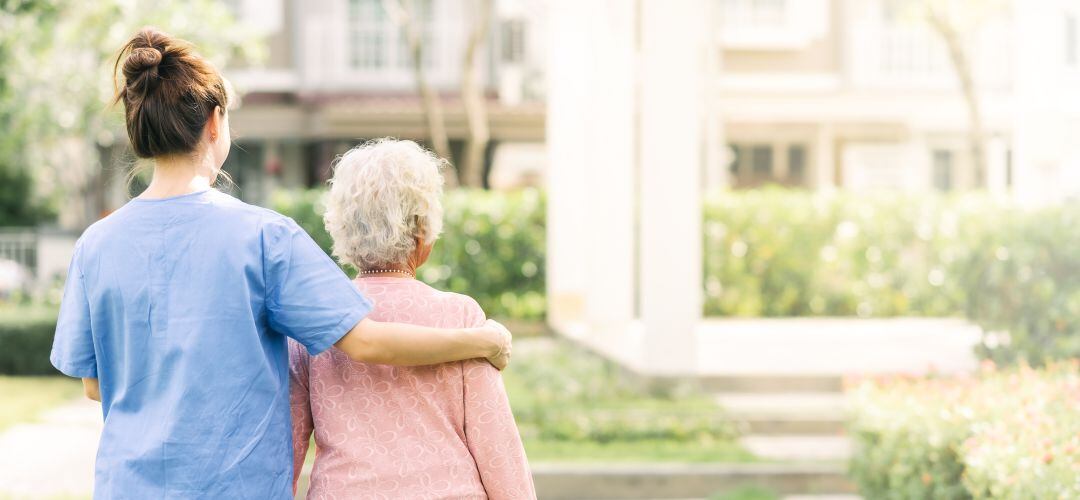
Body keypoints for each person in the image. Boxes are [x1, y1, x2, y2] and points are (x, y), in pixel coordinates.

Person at [48, 29, 512, 499]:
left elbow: (95, 384)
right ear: (215, 121)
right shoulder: (265, 238)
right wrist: (480, 340)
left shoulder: (95, 246)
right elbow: (366, 341)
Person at [289, 139, 535, 499]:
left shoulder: (316, 319)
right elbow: (496, 444)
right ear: (423, 231)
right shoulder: (460, 316)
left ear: (341, 227)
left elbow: (288, 443)